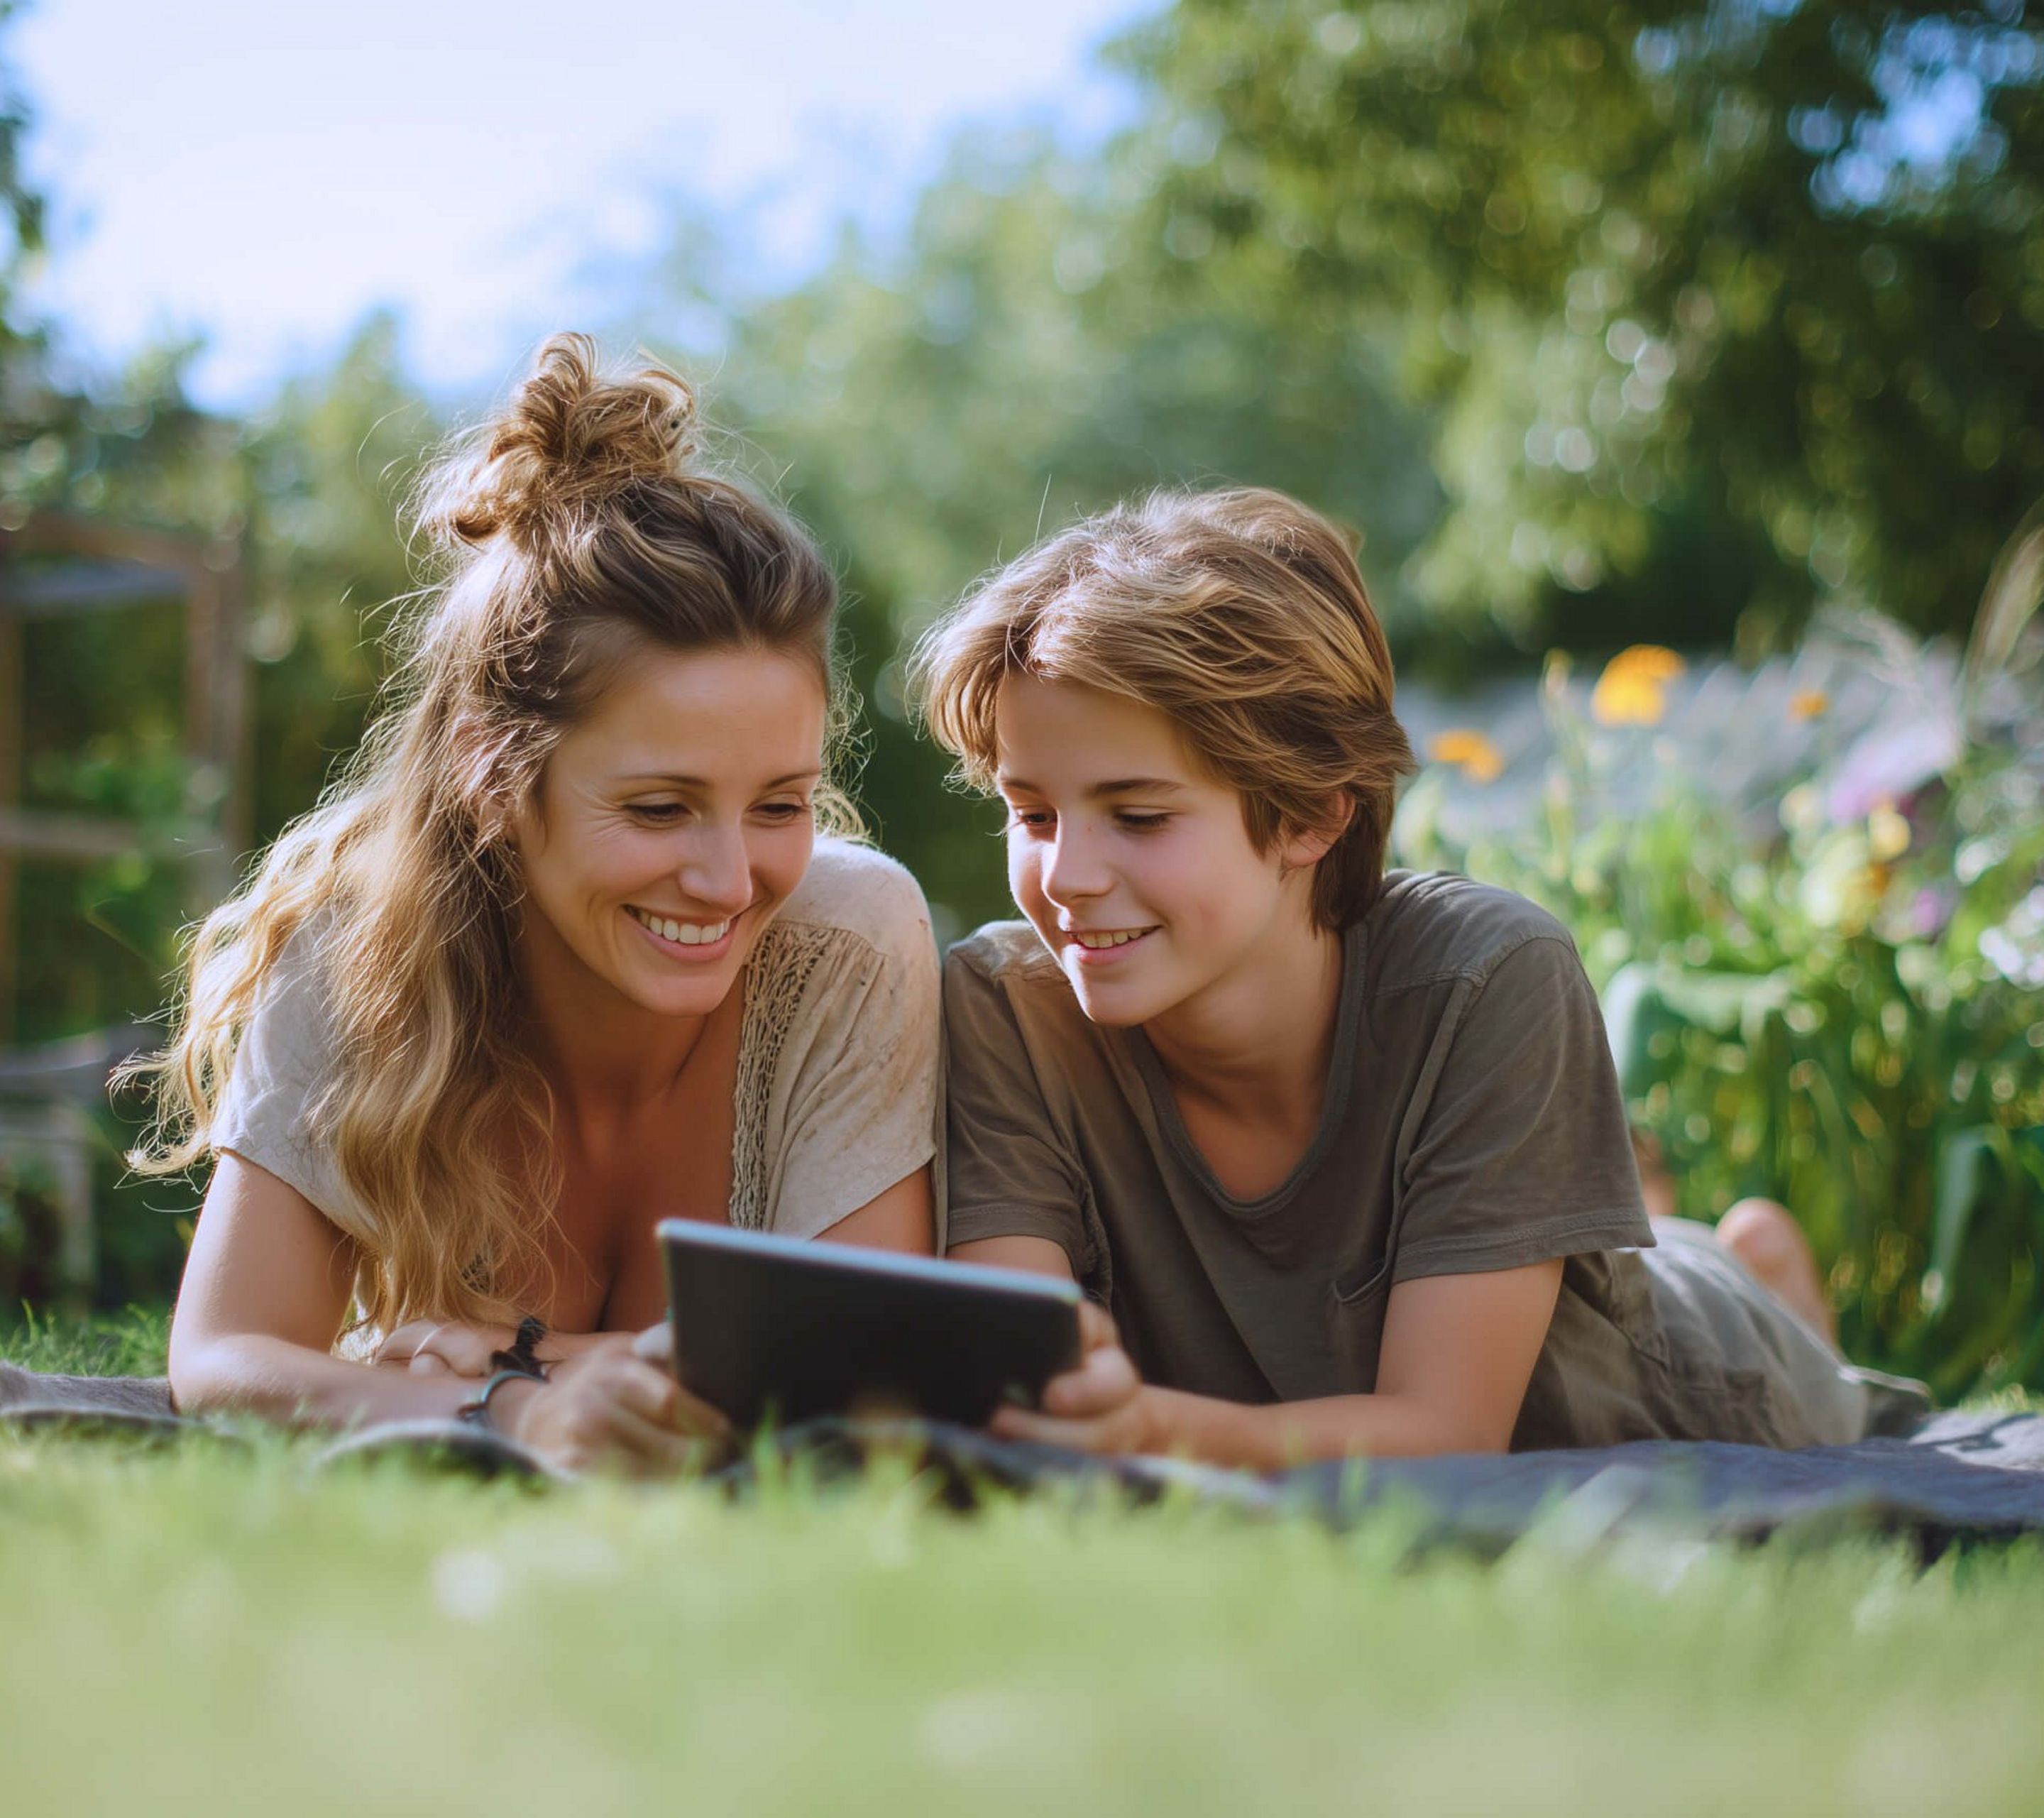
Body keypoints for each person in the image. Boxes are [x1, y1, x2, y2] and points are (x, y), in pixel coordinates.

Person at [913, 486, 1924, 1467]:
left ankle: (1760, 1275)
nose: (1069, 876)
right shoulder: (1011, 1009)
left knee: (1753, 1331)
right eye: (1034, 813)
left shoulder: (1486, 978)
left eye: (1138, 816)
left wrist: (1142, 1429)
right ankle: (1694, 1238)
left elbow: (1445, 1436)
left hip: (1699, 1376)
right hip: (1350, 1383)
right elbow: (1024, 1376)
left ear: (1313, 814)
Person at [136, 335, 939, 1475]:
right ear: (491, 771)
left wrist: (514, 1354)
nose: (728, 879)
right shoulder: (362, 941)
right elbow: (224, 1358)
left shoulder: (849, 940)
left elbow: (868, 1378)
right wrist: (510, 1415)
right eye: (660, 808)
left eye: (779, 803)